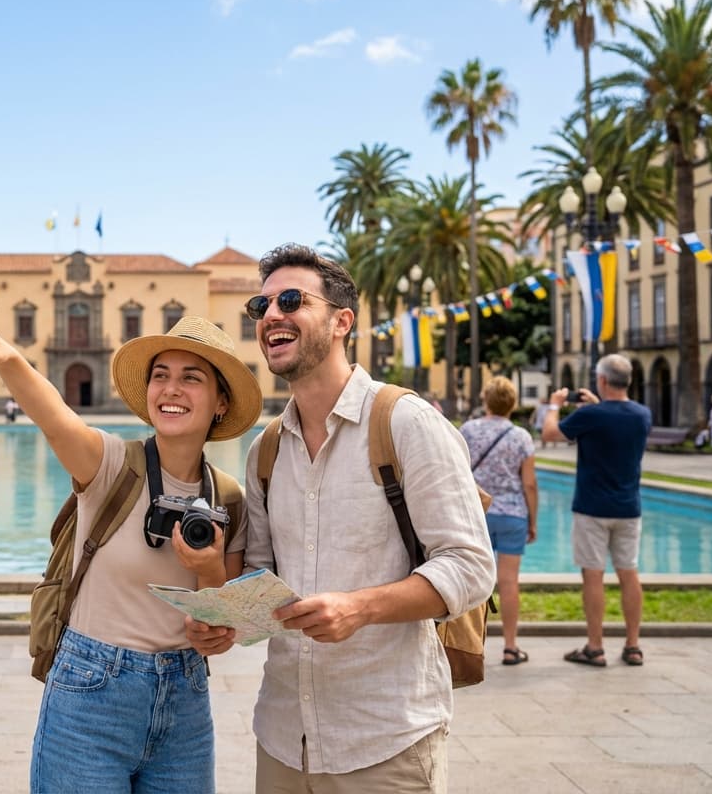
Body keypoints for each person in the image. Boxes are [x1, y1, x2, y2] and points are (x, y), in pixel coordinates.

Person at [187, 243, 494, 791]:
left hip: (385, 739)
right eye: (261, 306)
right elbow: (262, 576)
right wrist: (224, 620)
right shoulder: (266, 450)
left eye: (291, 301)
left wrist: (360, 607)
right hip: (283, 739)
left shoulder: (406, 423)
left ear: (341, 322)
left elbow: (470, 566)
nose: (271, 315)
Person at [0, 302, 262, 794]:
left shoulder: (227, 497)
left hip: (184, 704)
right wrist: (9, 359)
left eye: (191, 378)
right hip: (90, 693)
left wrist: (208, 580)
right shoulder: (110, 465)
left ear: (220, 402)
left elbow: (220, 622)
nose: (172, 389)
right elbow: (55, 419)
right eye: (161, 376)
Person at [542, 354, 652, 667]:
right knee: (629, 572)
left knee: (593, 575)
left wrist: (554, 406)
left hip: (592, 508)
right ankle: (633, 646)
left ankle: (595, 647)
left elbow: (549, 434)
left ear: (602, 380)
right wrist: (594, 406)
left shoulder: (592, 415)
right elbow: (612, 423)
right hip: (629, 508)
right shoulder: (642, 414)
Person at [460, 377, 537, 666]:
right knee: (509, 582)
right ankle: (510, 646)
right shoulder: (522, 437)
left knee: (470, 581)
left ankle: (468, 646)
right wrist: (532, 520)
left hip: (476, 513)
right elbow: (529, 484)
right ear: (512, 404)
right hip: (512, 514)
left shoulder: (468, 430)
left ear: (486, 400)